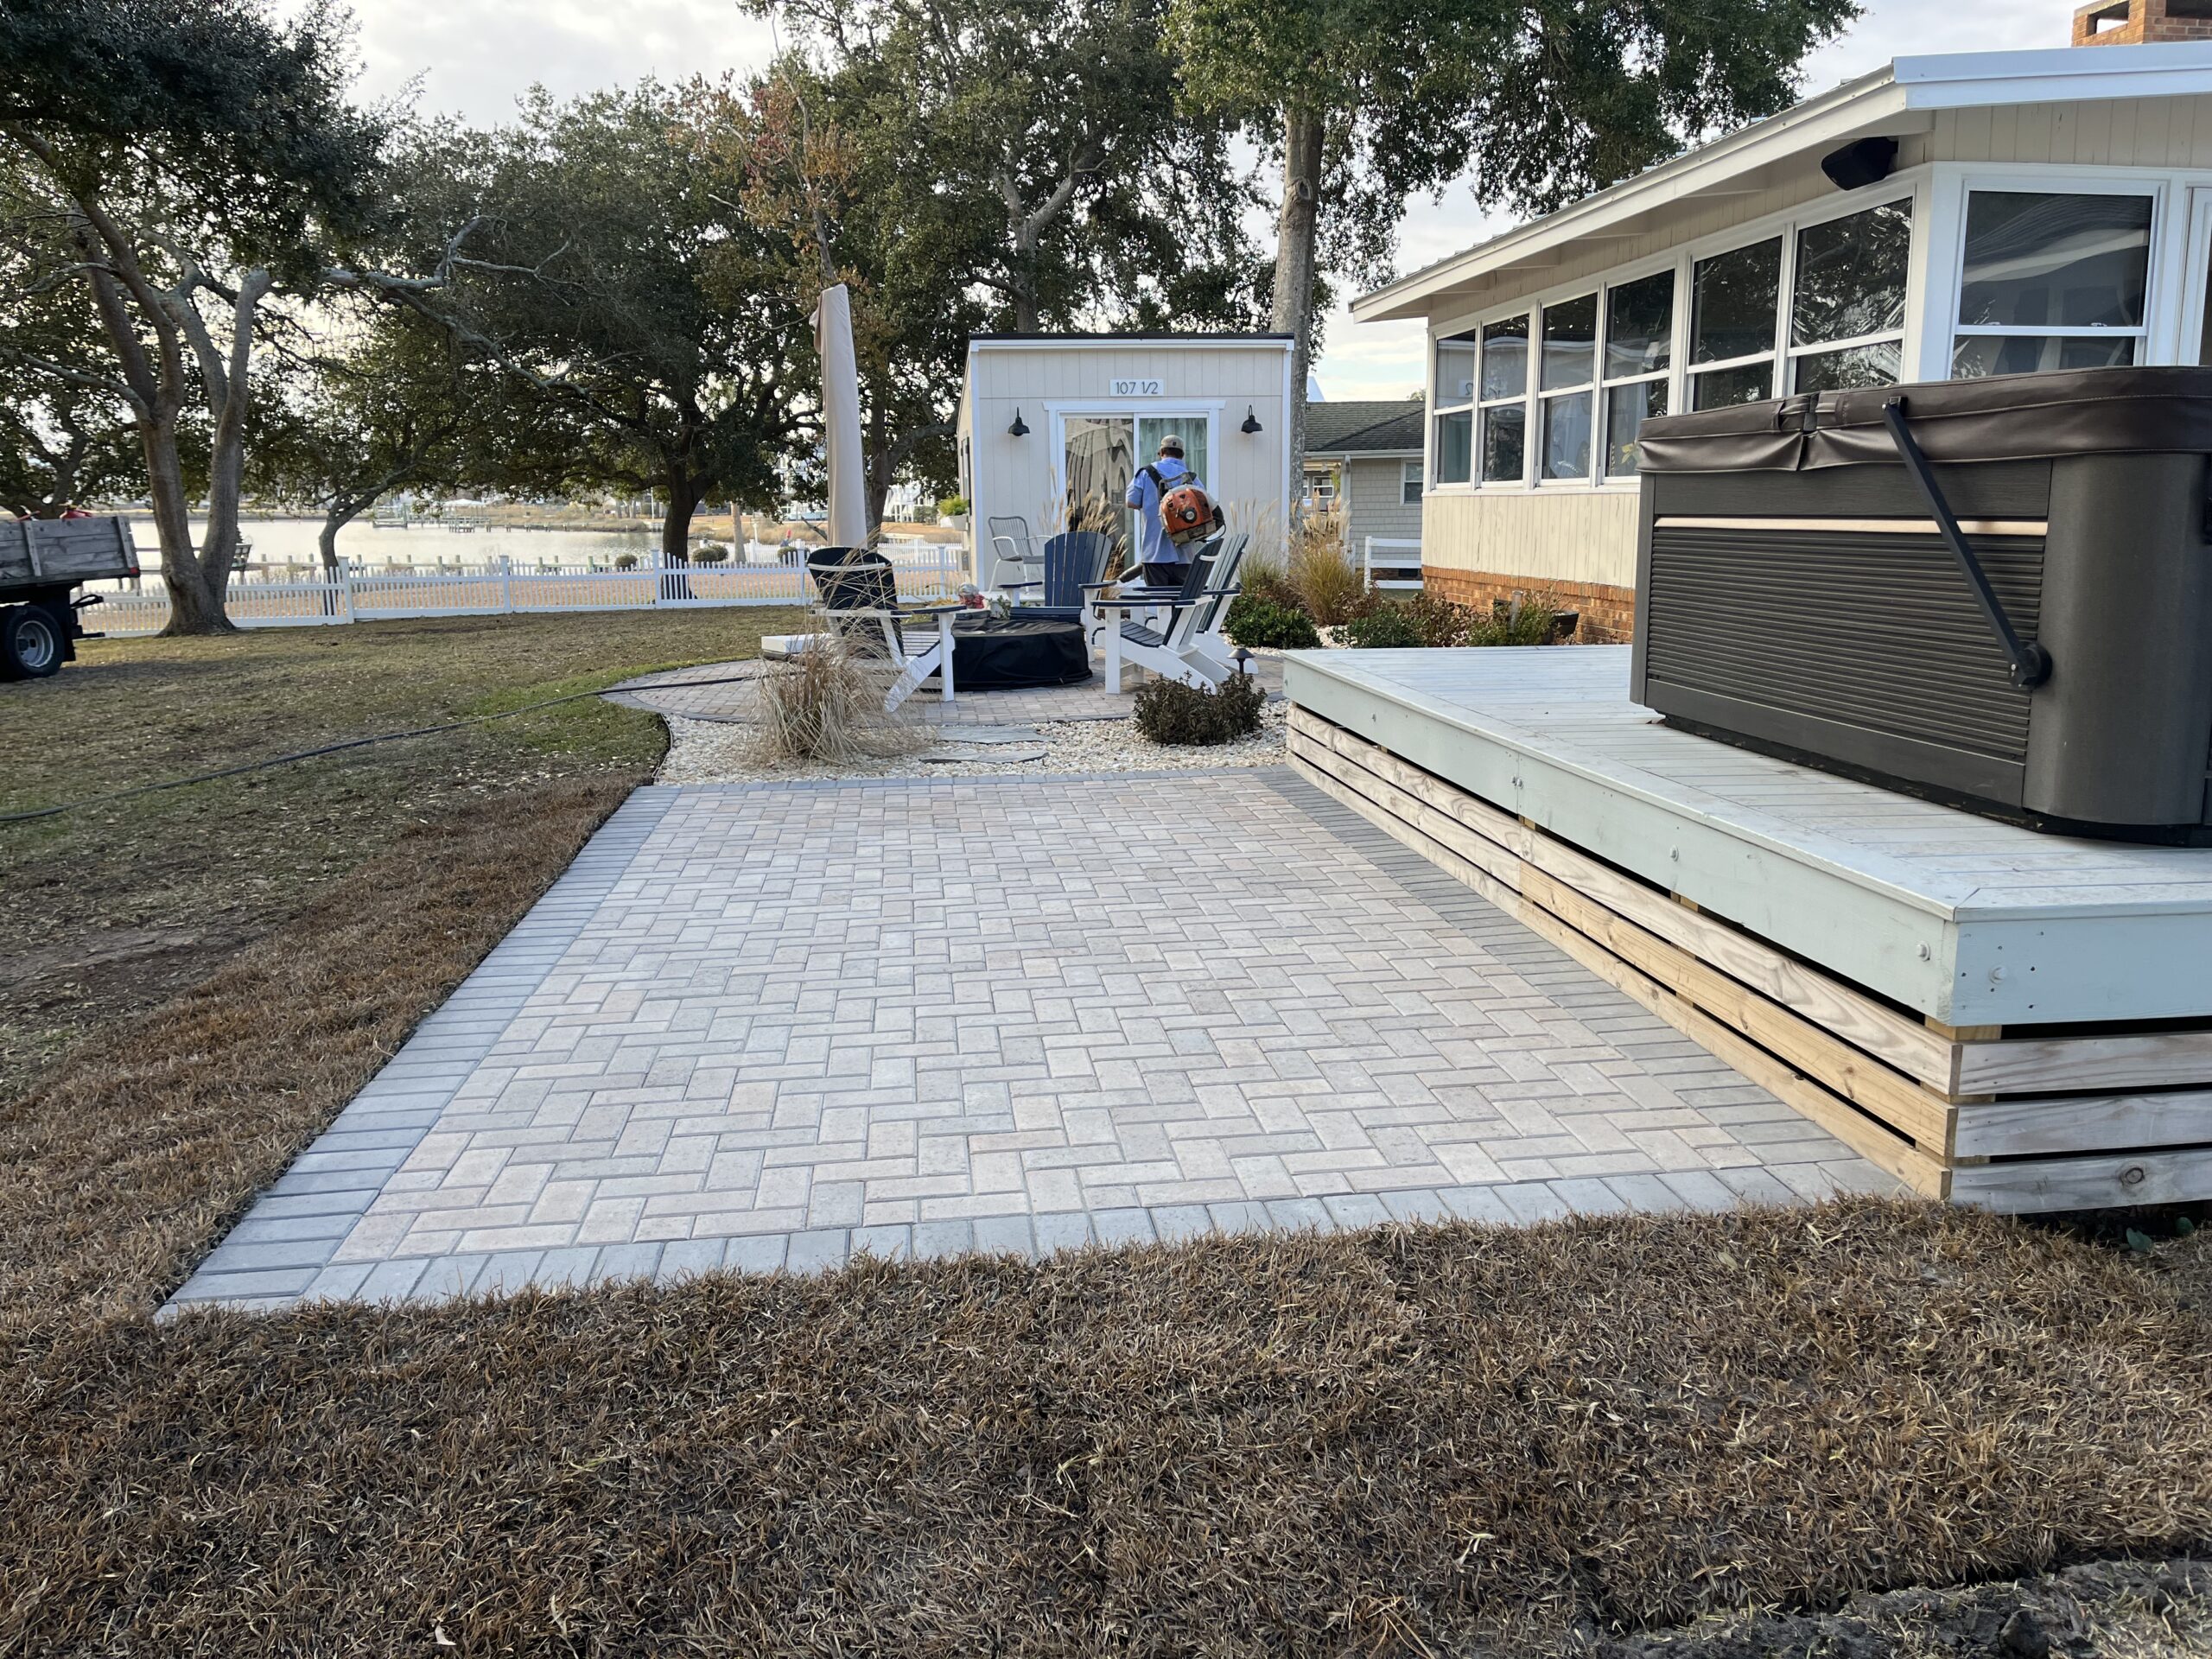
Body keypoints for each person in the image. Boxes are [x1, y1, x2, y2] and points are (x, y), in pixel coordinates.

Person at [1125, 434, 1200, 588]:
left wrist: (1151, 504)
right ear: (1182, 454)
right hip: (1184, 555)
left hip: (1155, 553)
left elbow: (1131, 501)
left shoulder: (1146, 473)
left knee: (1160, 604)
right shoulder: (1191, 478)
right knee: (1180, 604)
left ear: (1161, 452)